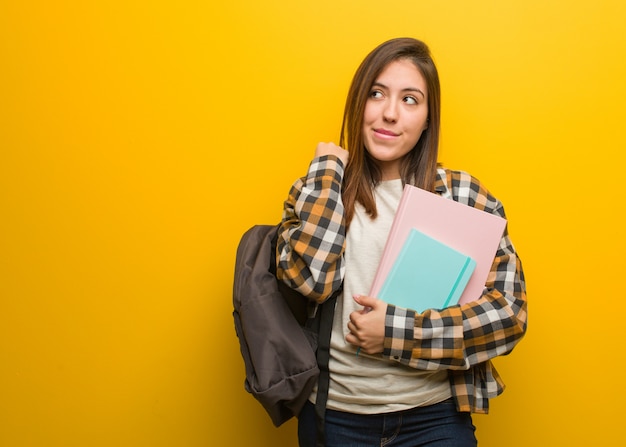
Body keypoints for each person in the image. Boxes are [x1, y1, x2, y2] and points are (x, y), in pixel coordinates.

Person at [275, 37, 527, 447]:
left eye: (410, 100)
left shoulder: (463, 196)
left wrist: (395, 332)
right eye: (377, 94)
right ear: (358, 104)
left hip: (435, 418)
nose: (390, 113)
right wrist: (327, 170)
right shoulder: (319, 189)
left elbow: (508, 315)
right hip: (334, 418)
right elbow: (309, 279)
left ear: (428, 118)